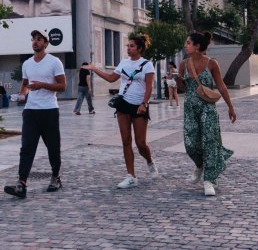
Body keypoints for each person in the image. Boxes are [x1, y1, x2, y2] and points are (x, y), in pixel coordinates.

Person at [86, 33, 160, 189]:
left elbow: (149, 87)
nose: (128, 48)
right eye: (128, 45)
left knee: (140, 143)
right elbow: (111, 78)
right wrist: (94, 68)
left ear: (139, 49)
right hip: (123, 104)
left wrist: (144, 104)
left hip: (139, 105)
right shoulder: (124, 63)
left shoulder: (147, 64)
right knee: (126, 141)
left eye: (132, 46)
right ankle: (131, 176)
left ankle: (149, 160)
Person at [4, 30, 66, 199]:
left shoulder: (54, 62)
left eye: (39, 39)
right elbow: (25, 84)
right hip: (30, 111)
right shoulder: (27, 64)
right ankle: (21, 184)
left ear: (46, 43)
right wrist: (22, 95)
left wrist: (43, 85)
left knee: (53, 147)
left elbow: (62, 86)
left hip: (49, 110)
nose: (35, 42)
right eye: (33, 39)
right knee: (26, 148)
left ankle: (55, 177)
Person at [176, 32, 236, 196]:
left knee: (209, 141)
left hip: (207, 107)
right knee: (190, 143)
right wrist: (176, 79)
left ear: (197, 46)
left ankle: (209, 180)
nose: (185, 45)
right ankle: (199, 165)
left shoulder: (211, 64)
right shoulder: (183, 64)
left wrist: (230, 107)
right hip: (190, 109)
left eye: (188, 43)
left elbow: (221, 86)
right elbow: (182, 88)